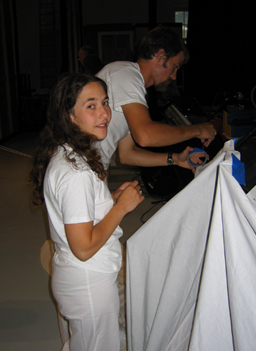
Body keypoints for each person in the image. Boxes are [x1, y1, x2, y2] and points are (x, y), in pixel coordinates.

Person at [29, 73, 144, 351]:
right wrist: (121, 207)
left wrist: (110, 199)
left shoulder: (69, 153)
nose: (104, 113)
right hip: (89, 280)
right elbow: (83, 247)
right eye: (90, 106)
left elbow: (80, 211)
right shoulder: (76, 172)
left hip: (78, 278)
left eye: (105, 102)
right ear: (69, 116)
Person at [96, 25, 217, 171]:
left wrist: (176, 159)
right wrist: (196, 130)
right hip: (77, 168)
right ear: (160, 57)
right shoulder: (126, 75)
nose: (174, 76)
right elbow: (145, 135)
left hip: (93, 168)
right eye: (175, 66)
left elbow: (127, 154)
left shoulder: (131, 89)